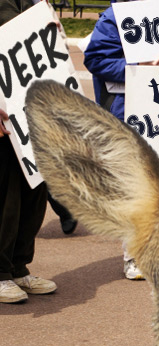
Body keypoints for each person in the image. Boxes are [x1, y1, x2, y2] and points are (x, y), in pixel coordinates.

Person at [83, 0, 159, 279]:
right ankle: (135, 256)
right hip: (128, 112)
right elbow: (96, 60)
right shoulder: (112, 17)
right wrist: (137, 65)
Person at [1, 0, 57, 304]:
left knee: (34, 189)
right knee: (5, 195)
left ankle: (19, 266)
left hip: (33, 110)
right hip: (5, 113)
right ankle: (0, 273)